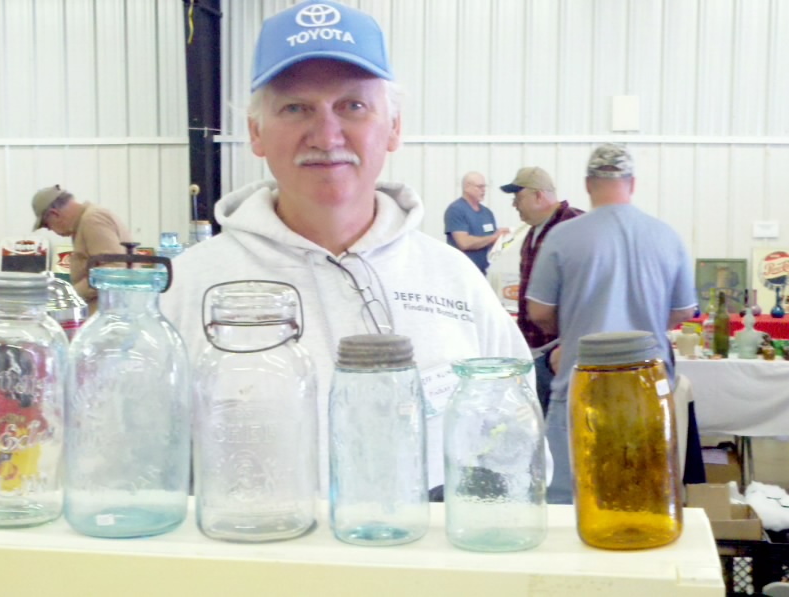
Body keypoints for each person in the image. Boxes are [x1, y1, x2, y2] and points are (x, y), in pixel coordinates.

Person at [159, 0, 533, 495]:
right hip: (255, 559)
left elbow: (523, 453)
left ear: (394, 126)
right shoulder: (187, 287)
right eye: (296, 108)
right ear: (256, 132)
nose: (327, 133)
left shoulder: (454, 278)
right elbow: (143, 473)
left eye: (353, 106)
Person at [525, 144, 701, 504]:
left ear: (589, 185)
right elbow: (684, 311)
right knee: (641, 501)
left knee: (570, 506)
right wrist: (648, 320)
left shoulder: (562, 236)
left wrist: (575, 325)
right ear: (632, 183)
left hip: (582, 387)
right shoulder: (667, 236)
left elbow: (538, 311)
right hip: (646, 389)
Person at [500, 167, 584, 417]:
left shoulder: (575, 226)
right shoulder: (531, 233)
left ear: (538, 196)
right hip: (538, 350)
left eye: (519, 196)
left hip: (560, 352)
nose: (514, 204)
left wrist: (570, 344)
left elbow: (589, 289)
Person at [31, 184, 132, 313]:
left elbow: (113, 269)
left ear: (54, 214)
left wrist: (69, 295)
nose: (50, 229)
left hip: (113, 315)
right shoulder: (85, 222)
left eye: (47, 225)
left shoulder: (92, 221)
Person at [444, 172, 509, 274]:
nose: (483, 190)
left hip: (483, 273)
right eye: (479, 187)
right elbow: (464, 243)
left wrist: (504, 237)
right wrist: (493, 237)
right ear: (466, 187)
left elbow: (492, 243)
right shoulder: (456, 210)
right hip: (462, 273)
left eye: (484, 187)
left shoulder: (487, 213)